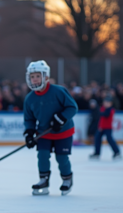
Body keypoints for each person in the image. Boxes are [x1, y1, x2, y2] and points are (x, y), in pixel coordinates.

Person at [23, 60, 78, 196]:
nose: (34, 79)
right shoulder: (29, 99)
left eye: (37, 76)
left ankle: (67, 179)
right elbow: (29, 119)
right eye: (32, 76)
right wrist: (29, 134)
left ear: (46, 77)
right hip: (44, 132)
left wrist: (61, 118)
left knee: (61, 158)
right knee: (42, 156)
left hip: (63, 132)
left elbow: (72, 107)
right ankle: (44, 180)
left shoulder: (58, 91)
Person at [89, 96, 121, 160]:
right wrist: (100, 126)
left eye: (108, 102)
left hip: (108, 128)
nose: (106, 103)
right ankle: (97, 153)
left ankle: (117, 152)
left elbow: (106, 115)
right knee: (97, 139)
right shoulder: (102, 108)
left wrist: (100, 112)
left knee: (110, 139)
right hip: (101, 127)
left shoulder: (111, 110)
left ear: (111, 103)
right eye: (105, 102)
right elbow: (101, 119)